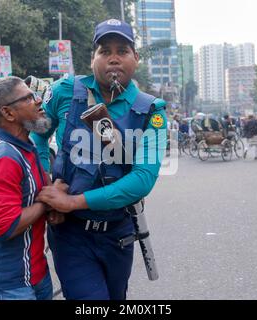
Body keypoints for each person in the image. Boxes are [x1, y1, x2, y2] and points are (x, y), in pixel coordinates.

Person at [31, 18, 167, 300]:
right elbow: (37, 136)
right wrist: (48, 185)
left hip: (119, 233)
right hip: (70, 234)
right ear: (92, 58)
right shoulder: (64, 91)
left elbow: (142, 179)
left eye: (122, 51)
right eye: (105, 51)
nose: (113, 59)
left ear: (136, 59)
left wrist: (72, 201)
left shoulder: (151, 111)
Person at [0, 76, 55, 300]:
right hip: (10, 286)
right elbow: (5, 226)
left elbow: (40, 191)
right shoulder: (6, 156)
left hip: (36, 275)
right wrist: (46, 202)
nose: (39, 101)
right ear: (9, 113)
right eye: (29, 97)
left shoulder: (25, 147)